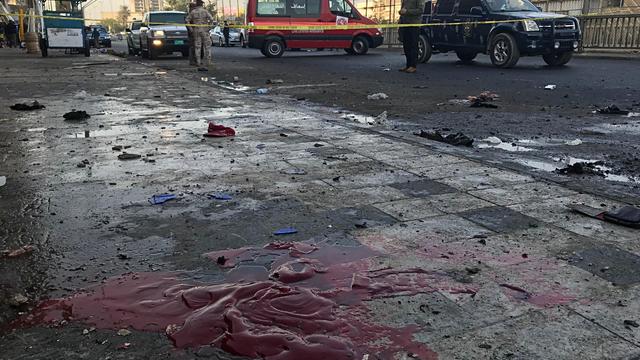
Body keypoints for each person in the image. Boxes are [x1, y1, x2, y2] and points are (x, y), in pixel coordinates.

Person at [186, 0, 213, 71]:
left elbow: (187, 20)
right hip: (205, 30)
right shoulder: (205, 11)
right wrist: (209, 28)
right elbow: (211, 19)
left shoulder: (193, 12)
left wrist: (191, 29)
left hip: (196, 30)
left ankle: (198, 62)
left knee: (197, 46)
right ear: (202, 4)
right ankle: (208, 62)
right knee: (207, 46)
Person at [398, 0, 422, 73]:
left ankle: (413, 66)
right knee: (406, 45)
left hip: (414, 24)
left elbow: (420, 10)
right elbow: (403, 9)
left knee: (413, 45)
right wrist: (401, 14)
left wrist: (407, 12)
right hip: (405, 24)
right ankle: (408, 65)